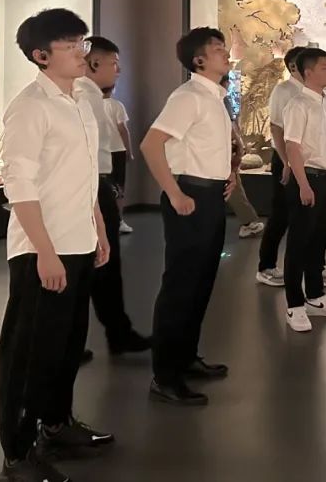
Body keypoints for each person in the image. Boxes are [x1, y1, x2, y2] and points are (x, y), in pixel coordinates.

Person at [0, 9, 113, 482]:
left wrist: (98, 227)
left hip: (78, 240)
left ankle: (56, 424)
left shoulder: (80, 101)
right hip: (41, 248)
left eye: (82, 43)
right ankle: (17, 454)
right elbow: (19, 184)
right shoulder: (30, 107)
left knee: (66, 345)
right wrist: (44, 250)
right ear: (41, 56)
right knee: (29, 353)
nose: (83, 54)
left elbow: (84, 177)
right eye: (71, 46)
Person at [141, 27, 236, 406]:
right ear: (198, 60)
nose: (225, 53)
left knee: (202, 282)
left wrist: (227, 176)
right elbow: (151, 145)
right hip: (190, 196)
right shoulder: (188, 97)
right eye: (217, 48)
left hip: (209, 196)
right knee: (181, 286)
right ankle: (165, 376)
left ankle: (186, 357)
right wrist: (174, 192)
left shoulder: (214, 97)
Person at [77, 36, 151, 356]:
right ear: (94, 63)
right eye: (114, 63)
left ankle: (116, 332)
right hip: (90, 187)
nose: (118, 70)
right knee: (96, 266)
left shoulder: (90, 96)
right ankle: (102, 336)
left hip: (96, 185)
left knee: (103, 267)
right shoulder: (84, 96)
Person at [281, 48, 326, 332]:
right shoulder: (298, 105)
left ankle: (316, 296)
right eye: (324, 67)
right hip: (307, 178)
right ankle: (294, 305)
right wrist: (303, 185)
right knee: (299, 243)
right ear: (307, 72)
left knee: (320, 240)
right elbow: (292, 147)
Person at [255, 46, 305, 287]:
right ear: (294, 66)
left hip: (306, 161)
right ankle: (266, 266)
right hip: (286, 160)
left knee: (306, 216)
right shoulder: (283, 90)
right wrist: (286, 162)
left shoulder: (312, 91)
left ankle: (310, 267)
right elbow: (276, 128)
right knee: (281, 214)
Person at [103, 88, 134, 234]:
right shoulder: (116, 105)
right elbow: (123, 129)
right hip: (117, 150)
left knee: (103, 186)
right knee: (119, 186)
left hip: (101, 151)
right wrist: (129, 151)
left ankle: (104, 222)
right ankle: (119, 221)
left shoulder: (90, 104)